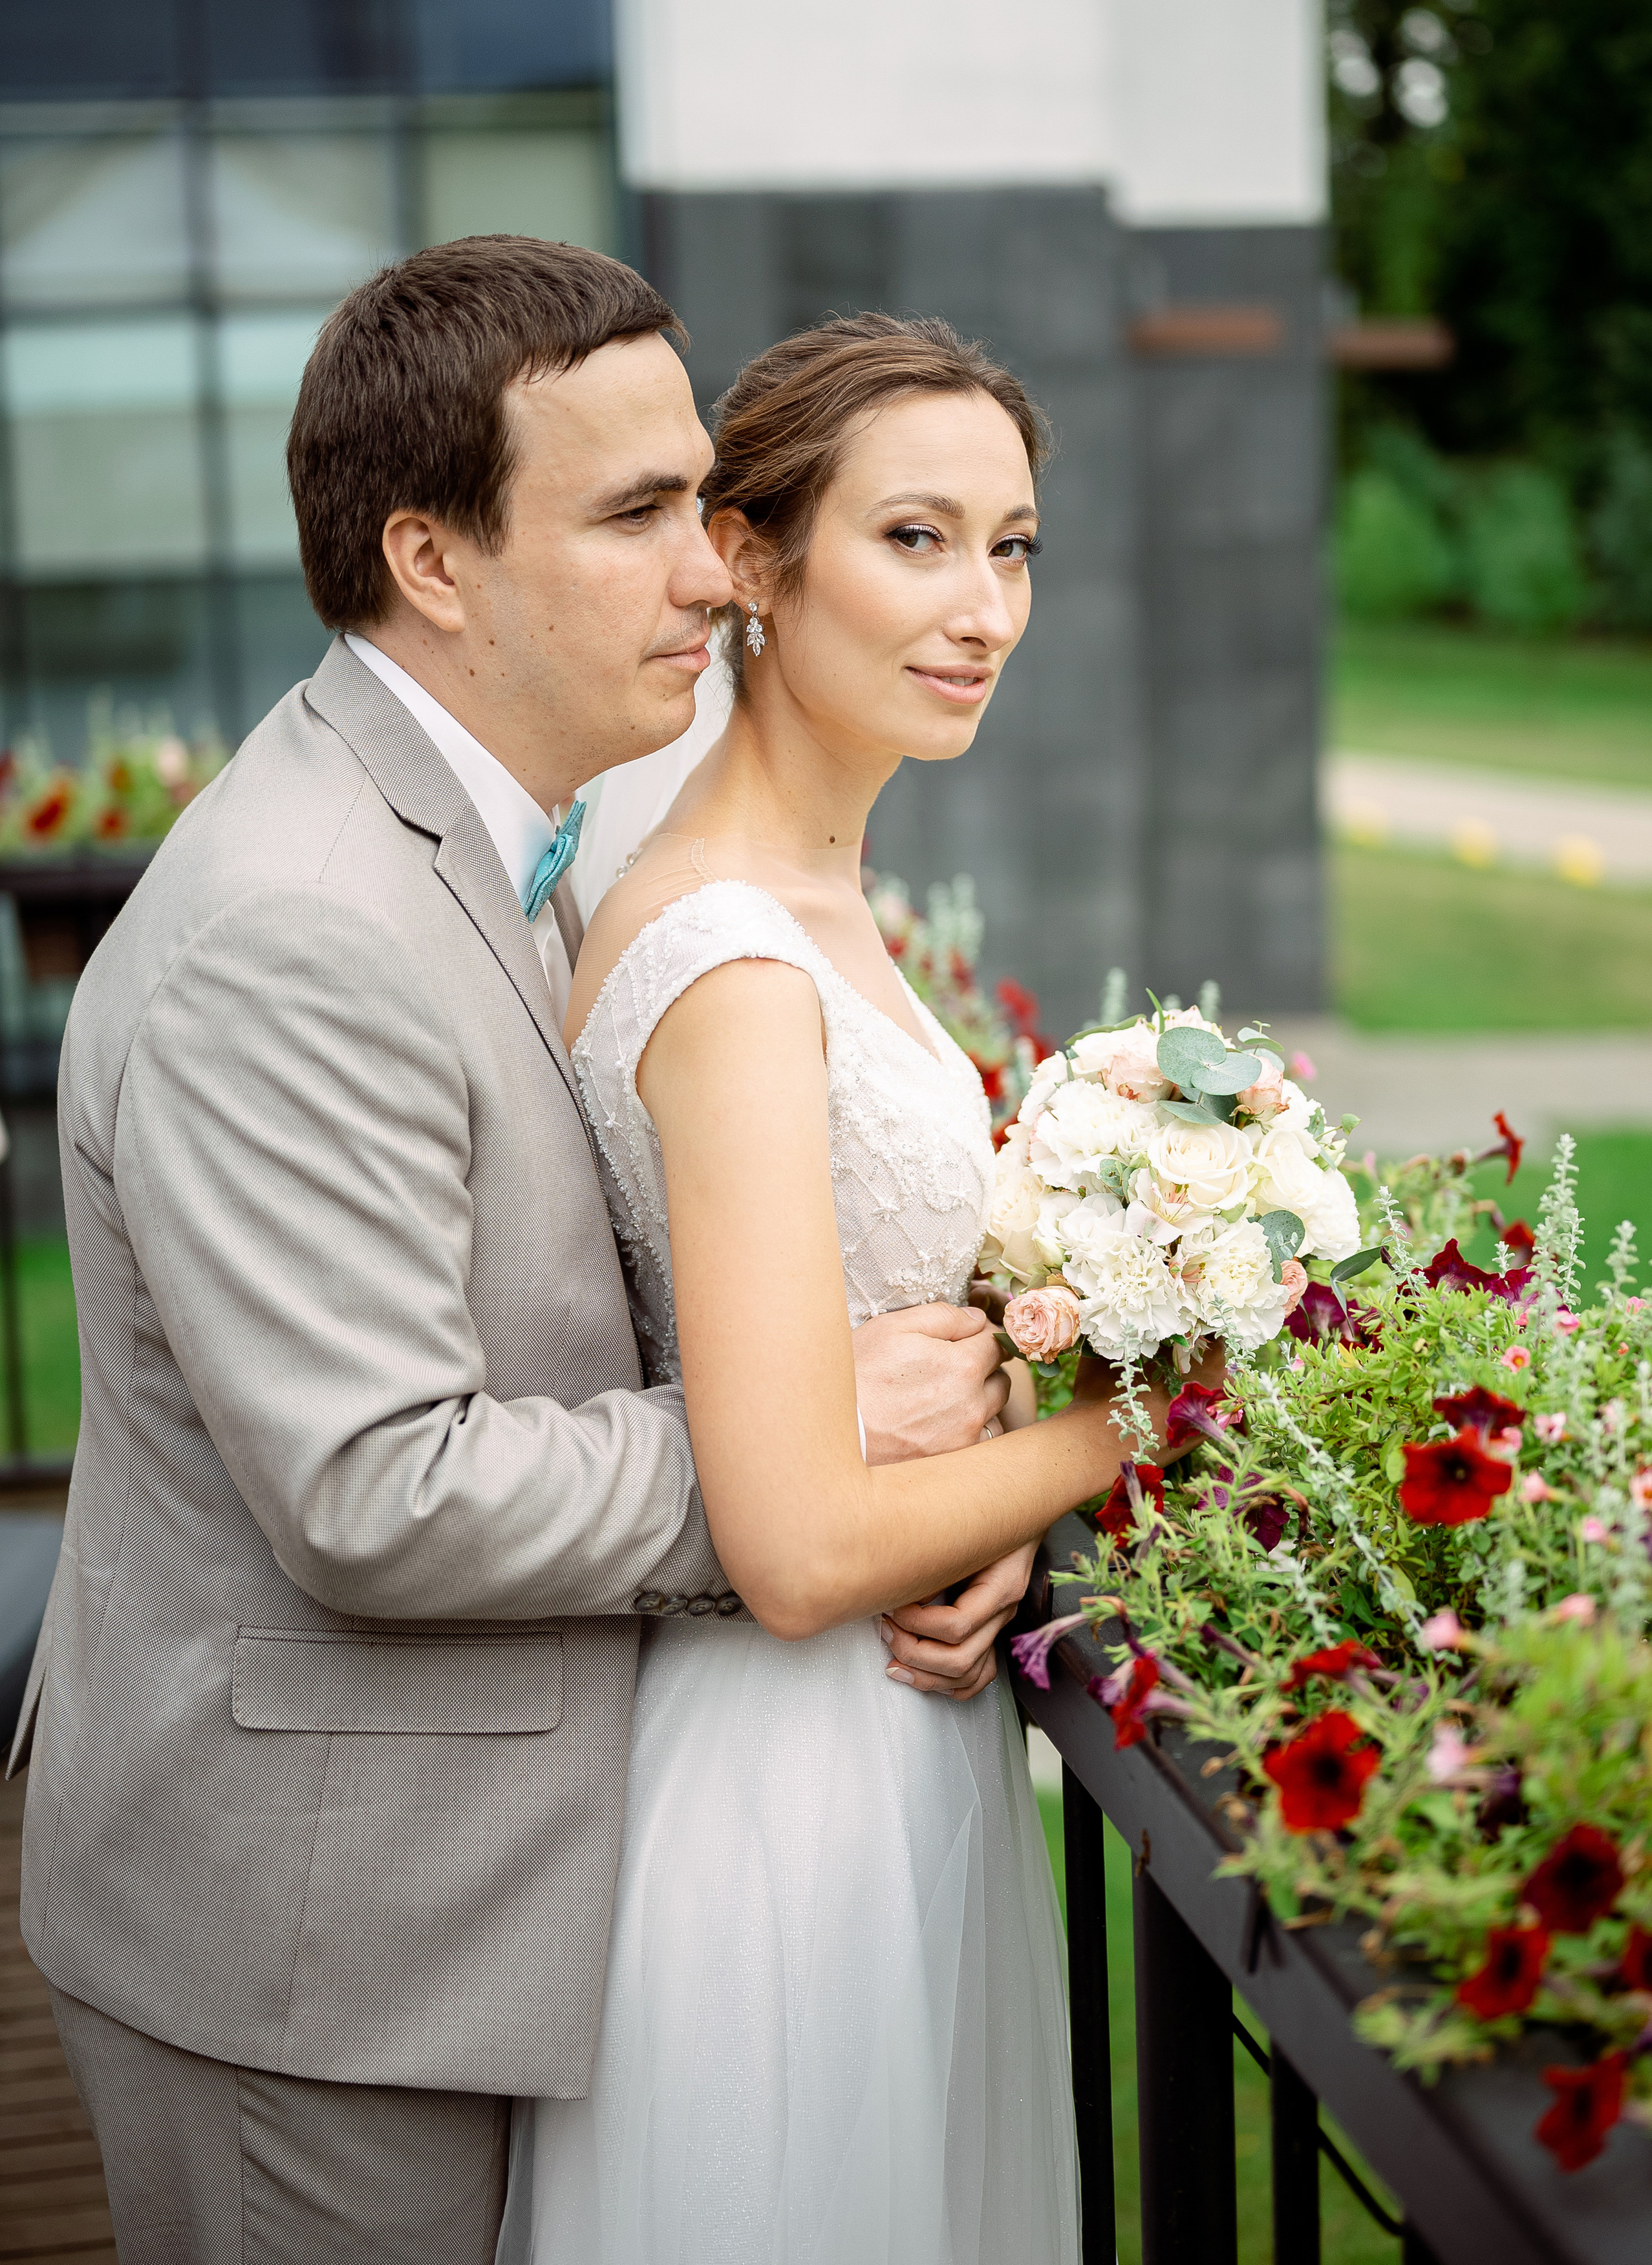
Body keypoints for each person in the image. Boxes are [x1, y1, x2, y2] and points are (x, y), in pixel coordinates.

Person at [8, 242, 1028, 2265]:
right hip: (308, 1952)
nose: (715, 569)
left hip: (489, 1887)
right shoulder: (296, 924)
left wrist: (937, 1482)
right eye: (638, 513)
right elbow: (377, 1483)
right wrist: (810, 1461)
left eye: (704, 504)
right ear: (435, 561)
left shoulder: (491, 836)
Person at [508, 315, 1179, 2265]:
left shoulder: (812, 895)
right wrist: (1115, 1432)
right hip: (785, 1798)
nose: (984, 606)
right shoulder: (731, 957)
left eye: (1017, 545)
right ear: (751, 558)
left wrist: (980, 1502)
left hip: (901, 1739)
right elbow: (797, 1544)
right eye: (917, 538)